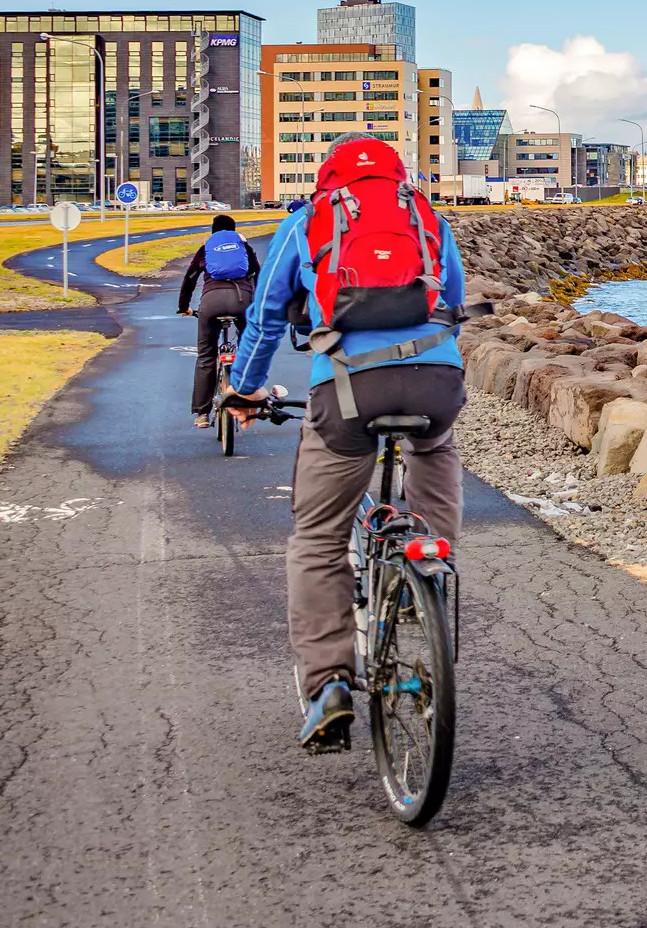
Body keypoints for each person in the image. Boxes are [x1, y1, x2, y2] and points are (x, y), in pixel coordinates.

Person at [227, 133, 474, 753]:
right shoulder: (425, 215)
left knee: (318, 537)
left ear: (328, 178)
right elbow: (455, 300)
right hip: (433, 381)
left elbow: (265, 314)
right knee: (436, 448)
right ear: (397, 175)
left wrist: (245, 390)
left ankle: (327, 686)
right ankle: (429, 569)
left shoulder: (309, 220)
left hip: (345, 389)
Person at [178, 213, 262, 428]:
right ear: (234, 230)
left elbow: (190, 279)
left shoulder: (207, 248)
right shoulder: (244, 247)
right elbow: (259, 274)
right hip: (242, 302)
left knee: (206, 356)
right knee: (247, 347)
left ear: (212, 231)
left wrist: (183, 307)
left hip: (211, 303)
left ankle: (202, 413)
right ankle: (245, 394)